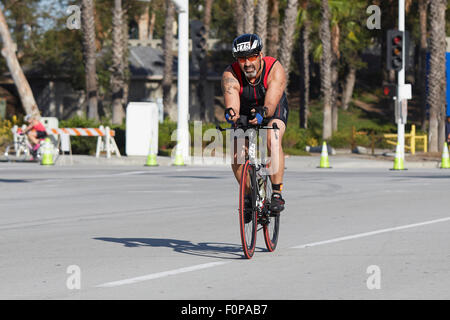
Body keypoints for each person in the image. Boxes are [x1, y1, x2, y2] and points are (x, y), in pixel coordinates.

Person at [221, 33, 288, 215]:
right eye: (242, 59)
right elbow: (232, 101)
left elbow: (271, 104)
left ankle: (276, 192)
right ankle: (249, 195)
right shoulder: (231, 73)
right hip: (244, 109)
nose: (247, 63)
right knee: (237, 154)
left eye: (251, 57)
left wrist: (263, 112)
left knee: (272, 139)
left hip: (271, 107)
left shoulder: (274, 68)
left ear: (260, 55)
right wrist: (231, 113)